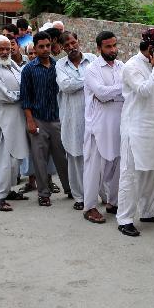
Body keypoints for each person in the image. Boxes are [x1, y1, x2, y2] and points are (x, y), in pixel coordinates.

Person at [117, 28, 154, 237]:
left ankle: (148, 211)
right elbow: (144, 91)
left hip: (153, 127)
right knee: (131, 174)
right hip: (135, 128)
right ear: (151, 49)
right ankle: (125, 218)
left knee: (153, 171)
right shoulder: (132, 66)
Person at [20, 31, 71, 206]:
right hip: (38, 119)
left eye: (47, 46)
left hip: (57, 119)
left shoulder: (59, 66)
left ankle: (71, 189)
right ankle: (43, 193)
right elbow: (25, 98)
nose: (45, 49)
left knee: (62, 157)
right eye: (41, 47)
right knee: (39, 159)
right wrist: (30, 121)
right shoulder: (28, 70)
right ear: (34, 47)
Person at [81, 31, 125, 224]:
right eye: (108, 46)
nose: (113, 49)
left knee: (117, 165)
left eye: (114, 45)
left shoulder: (122, 66)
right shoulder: (92, 69)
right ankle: (89, 207)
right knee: (94, 168)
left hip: (118, 124)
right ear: (99, 48)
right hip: (97, 126)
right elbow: (100, 93)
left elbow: (126, 93)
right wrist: (120, 90)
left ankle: (113, 203)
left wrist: (111, 94)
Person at [0, 35, 29, 212]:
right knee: (5, 158)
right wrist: (23, 96)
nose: (4, 52)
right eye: (0, 49)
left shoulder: (11, 64)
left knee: (14, 158)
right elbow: (1, 94)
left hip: (15, 117)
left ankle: (8, 190)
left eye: (7, 49)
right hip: (2, 119)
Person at [56, 31, 97, 210]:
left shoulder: (93, 59)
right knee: (74, 157)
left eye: (73, 43)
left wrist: (81, 81)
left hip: (94, 117)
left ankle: (97, 194)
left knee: (95, 156)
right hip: (72, 118)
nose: (72, 47)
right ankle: (79, 197)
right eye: (67, 45)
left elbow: (100, 80)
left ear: (78, 41)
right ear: (63, 48)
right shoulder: (60, 64)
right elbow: (66, 86)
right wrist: (89, 80)